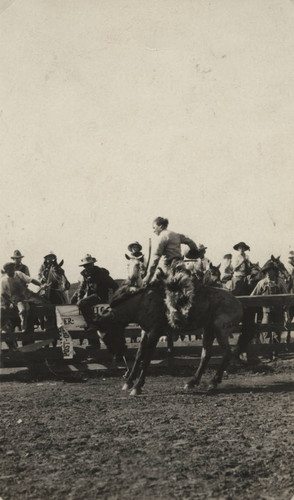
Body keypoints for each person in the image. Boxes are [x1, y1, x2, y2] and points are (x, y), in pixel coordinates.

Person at [71, 254, 119, 346]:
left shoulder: (101, 273)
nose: (87, 267)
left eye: (88, 265)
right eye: (85, 265)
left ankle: (92, 324)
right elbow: (82, 288)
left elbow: (114, 285)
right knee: (85, 320)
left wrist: (114, 299)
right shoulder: (84, 275)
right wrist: (78, 296)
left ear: (93, 264)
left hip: (99, 296)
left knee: (83, 304)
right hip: (89, 298)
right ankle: (94, 345)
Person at [143, 217, 198, 285]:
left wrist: (148, 276)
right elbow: (190, 241)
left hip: (167, 267)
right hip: (180, 266)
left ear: (160, 226)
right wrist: (194, 251)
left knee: (153, 285)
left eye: (154, 227)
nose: (153, 230)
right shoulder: (176, 234)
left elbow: (156, 257)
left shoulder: (162, 237)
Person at [251, 259, 289, 348]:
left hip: (278, 311)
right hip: (266, 311)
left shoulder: (280, 282)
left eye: (270, 271)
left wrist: (285, 307)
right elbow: (252, 296)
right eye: (266, 271)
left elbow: (287, 295)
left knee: (277, 331)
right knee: (266, 331)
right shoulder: (262, 283)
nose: (268, 273)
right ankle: (267, 352)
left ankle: (275, 353)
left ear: (274, 271)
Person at [1, 262, 49, 332]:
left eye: (11, 269)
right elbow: (3, 294)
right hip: (17, 299)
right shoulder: (3, 280)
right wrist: (10, 302)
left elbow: (31, 280)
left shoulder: (19, 274)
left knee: (44, 303)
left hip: (28, 294)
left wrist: (41, 285)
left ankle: (44, 323)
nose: (10, 271)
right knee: (23, 310)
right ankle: (23, 327)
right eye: (8, 270)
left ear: (13, 269)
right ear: (6, 271)